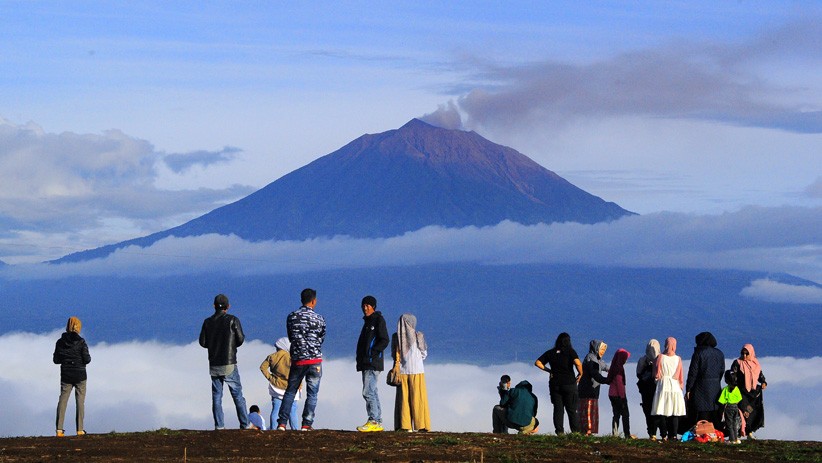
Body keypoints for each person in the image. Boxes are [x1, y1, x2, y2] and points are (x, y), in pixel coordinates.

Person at [276, 288, 326, 431]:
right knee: (312, 393)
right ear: (314, 301)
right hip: (315, 360)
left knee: (290, 391)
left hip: (298, 359)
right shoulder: (319, 318)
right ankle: (306, 424)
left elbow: (291, 337)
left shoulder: (292, 317)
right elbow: (321, 338)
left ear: (301, 300)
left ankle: (282, 423)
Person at [199, 294, 250, 430]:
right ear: (228, 306)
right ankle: (245, 424)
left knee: (217, 396)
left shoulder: (207, 322)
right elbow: (240, 339)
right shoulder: (232, 320)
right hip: (229, 362)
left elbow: (202, 343)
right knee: (237, 394)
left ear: (214, 306)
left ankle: (219, 425)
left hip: (214, 363)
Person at [535, 332, 583, 434]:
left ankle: (559, 432)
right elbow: (578, 363)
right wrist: (580, 373)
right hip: (569, 384)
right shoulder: (570, 351)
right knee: (572, 410)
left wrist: (549, 370)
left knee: (558, 410)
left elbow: (537, 363)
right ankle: (576, 432)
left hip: (555, 384)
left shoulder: (550, 353)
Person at [356, 295, 390, 432]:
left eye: (368, 305)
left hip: (372, 362)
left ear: (373, 306)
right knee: (373, 391)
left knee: (368, 391)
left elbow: (384, 339)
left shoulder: (377, 320)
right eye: (363, 305)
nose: (365, 308)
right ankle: (377, 420)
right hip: (367, 362)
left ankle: (374, 420)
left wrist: (372, 353)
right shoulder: (367, 322)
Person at [392, 313, 430, 432]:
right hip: (417, 371)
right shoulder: (419, 336)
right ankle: (421, 425)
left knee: (404, 400)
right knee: (418, 399)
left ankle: (404, 425)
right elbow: (424, 354)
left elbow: (394, 355)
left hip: (402, 372)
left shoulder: (396, 338)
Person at [53, 316, 91, 437]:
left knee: (63, 400)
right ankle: (80, 429)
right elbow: (87, 359)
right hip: (80, 375)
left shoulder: (60, 342)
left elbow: (56, 360)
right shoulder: (81, 342)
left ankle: (59, 429)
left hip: (66, 375)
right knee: (80, 401)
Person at [685, 331, 725, 431]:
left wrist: (689, 388)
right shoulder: (720, 353)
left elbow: (693, 372)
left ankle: (701, 433)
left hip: (700, 388)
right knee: (714, 412)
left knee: (701, 413)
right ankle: (715, 433)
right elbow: (722, 371)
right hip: (715, 387)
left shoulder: (699, 353)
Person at [260, 337, 300, 430]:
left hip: (276, 386)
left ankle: (274, 429)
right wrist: (299, 384)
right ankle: (295, 429)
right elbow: (298, 372)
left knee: (276, 409)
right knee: (292, 410)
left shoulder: (271, 356)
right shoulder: (292, 358)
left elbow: (262, 367)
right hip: (291, 386)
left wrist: (270, 378)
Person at [651, 337, 686, 441]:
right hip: (675, 386)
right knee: (675, 411)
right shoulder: (678, 358)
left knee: (662, 410)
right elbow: (680, 375)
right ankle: (674, 435)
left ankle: (663, 435)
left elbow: (656, 374)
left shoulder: (660, 357)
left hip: (663, 385)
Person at [729, 343, 767, 439]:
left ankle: (749, 432)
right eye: (743, 353)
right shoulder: (737, 363)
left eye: (747, 354)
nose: (744, 356)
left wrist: (763, 382)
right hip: (741, 392)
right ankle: (738, 433)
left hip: (753, 394)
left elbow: (760, 375)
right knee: (743, 411)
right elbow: (732, 375)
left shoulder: (755, 363)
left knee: (751, 411)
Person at [578, 339, 609, 435]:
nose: (603, 352)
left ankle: (588, 431)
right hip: (587, 390)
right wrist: (607, 380)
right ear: (596, 349)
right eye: (601, 349)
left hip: (593, 391)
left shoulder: (597, 359)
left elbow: (605, 367)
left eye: (604, 350)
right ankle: (586, 430)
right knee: (587, 410)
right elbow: (595, 374)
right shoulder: (591, 359)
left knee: (591, 411)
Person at [606, 348, 634, 438]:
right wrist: (622, 397)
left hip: (612, 394)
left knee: (616, 414)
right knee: (625, 415)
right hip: (618, 395)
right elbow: (619, 384)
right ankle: (627, 434)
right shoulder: (619, 369)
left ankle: (615, 433)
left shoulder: (613, 366)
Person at [636, 339, 660, 440]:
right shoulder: (660, 359)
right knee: (657, 410)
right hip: (657, 389)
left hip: (645, 389)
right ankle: (660, 432)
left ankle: (651, 432)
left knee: (647, 410)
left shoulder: (642, 360)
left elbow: (638, 374)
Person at [718, 370, 743, 444]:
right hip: (736, 407)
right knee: (735, 423)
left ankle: (731, 439)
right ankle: (736, 438)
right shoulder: (737, 389)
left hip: (728, 407)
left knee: (729, 424)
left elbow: (721, 401)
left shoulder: (726, 389)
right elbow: (739, 399)